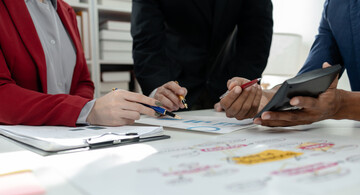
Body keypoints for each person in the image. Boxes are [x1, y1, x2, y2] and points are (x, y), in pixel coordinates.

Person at [0, 0, 159, 127]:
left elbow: (83, 81)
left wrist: (81, 115)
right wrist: (84, 111)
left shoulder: (67, 12)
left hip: (71, 136)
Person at [221, 0, 360, 126]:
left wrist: (342, 105)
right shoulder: (336, 5)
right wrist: (263, 97)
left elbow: (335, 102)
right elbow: (307, 81)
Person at [131, 0, 273, 111]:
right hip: (173, 83)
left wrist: (241, 90)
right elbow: (146, 40)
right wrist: (158, 89)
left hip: (226, 83)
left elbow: (257, 36)